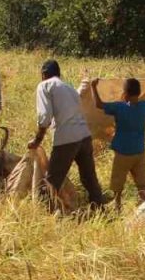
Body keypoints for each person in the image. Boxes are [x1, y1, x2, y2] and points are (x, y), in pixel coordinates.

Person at [28, 59, 105, 210]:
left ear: (43, 74)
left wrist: (37, 140)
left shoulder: (44, 85)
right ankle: (99, 207)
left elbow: (44, 118)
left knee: (52, 180)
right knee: (89, 178)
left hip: (67, 139)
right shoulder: (68, 87)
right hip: (84, 137)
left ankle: (42, 213)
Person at [94, 76, 145, 209]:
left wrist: (93, 87)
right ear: (139, 93)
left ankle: (117, 204)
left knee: (118, 181)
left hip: (123, 153)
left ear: (124, 94)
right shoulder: (144, 106)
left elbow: (99, 105)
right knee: (142, 184)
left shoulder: (119, 107)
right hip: (139, 152)